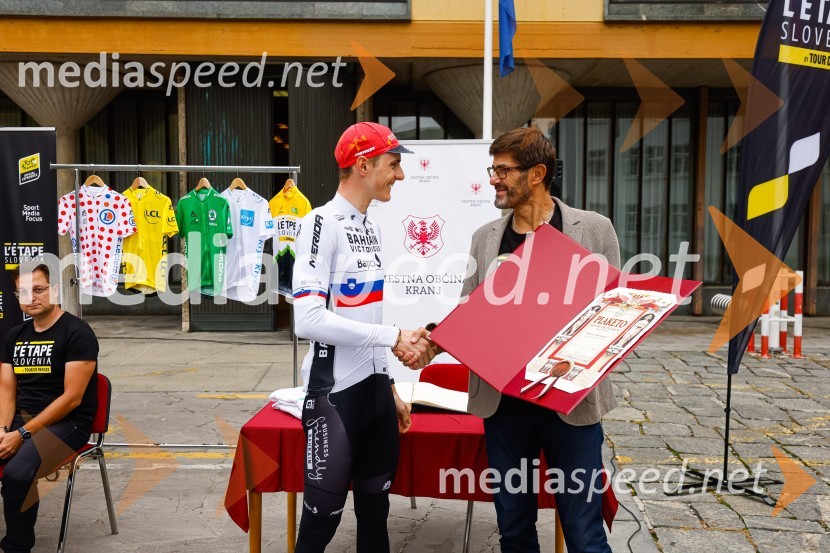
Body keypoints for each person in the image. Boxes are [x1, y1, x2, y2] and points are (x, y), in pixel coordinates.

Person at [463, 128, 620, 553]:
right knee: (514, 530)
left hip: (571, 405)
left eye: (503, 171)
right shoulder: (484, 238)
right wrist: (436, 340)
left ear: (536, 174)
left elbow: (611, 315)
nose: (493, 179)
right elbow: (467, 314)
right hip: (504, 408)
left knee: (584, 534)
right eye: (492, 170)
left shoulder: (594, 230)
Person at [291, 122, 434, 553]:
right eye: (393, 164)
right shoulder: (320, 223)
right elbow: (308, 320)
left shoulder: (370, 227)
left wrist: (388, 385)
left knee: (376, 520)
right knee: (319, 530)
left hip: (374, 397)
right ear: (363, 165)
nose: (400, 175)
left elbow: (367, 316)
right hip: (335, 398)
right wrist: (392, 336)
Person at [0, 264, 98, 553]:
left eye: (39, 289)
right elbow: (7, 391)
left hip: (68, 424)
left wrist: (22, 434)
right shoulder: (15, 335)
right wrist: (3, 430)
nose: (31, 297)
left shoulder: (77, 333)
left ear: (54, 291)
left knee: (18, 473)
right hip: (20, 421)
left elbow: (72, 399)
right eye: (23, 292)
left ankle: (16, 547)